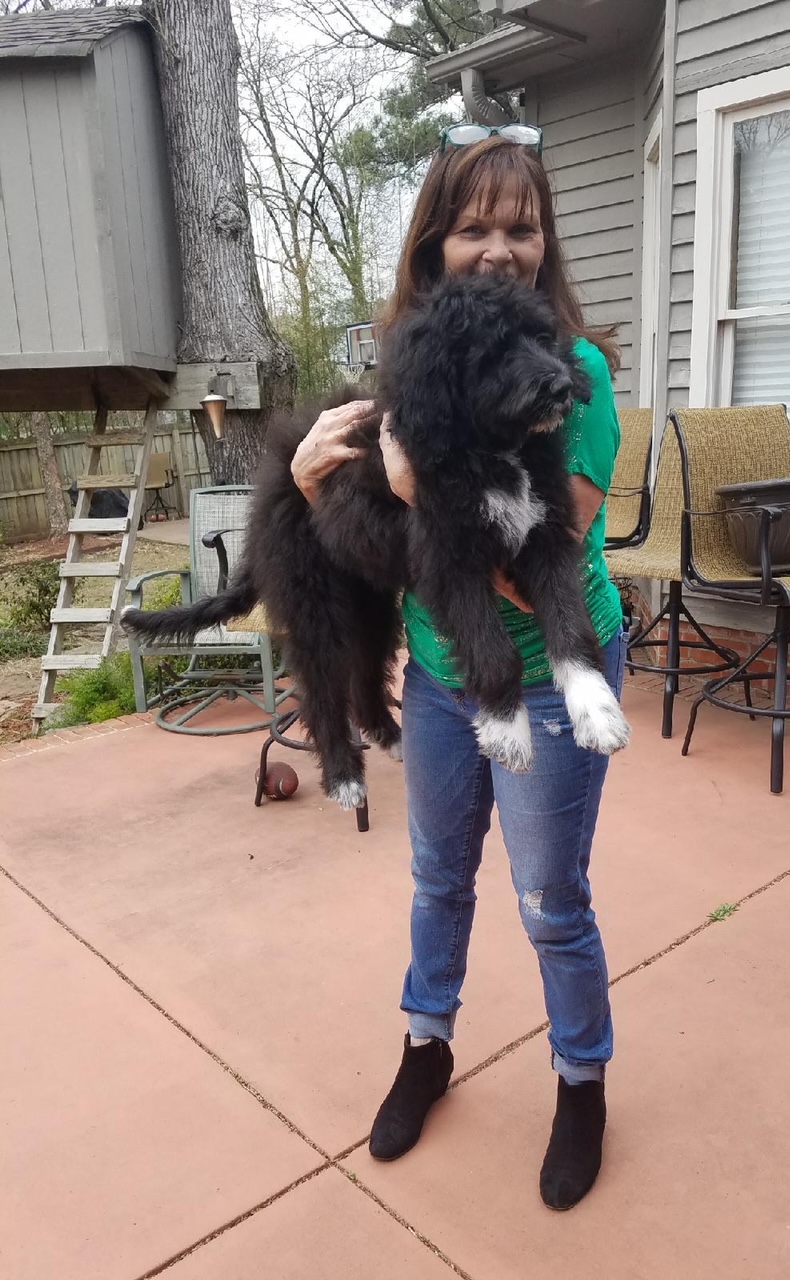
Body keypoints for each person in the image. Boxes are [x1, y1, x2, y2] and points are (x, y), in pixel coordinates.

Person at [291, 126, 627, 1211]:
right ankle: (426, 1045)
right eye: (473, 225)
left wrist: (406, 479)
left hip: (551, 665)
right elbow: (390, 545)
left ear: (545, 242)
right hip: (443, 672)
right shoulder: (415, 366)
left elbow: (536, 563)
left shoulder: (574, 373)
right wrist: (314, 483)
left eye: (521, 227)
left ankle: (581, 1079)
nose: (499, 247)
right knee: (438, 878)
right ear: (433, 242)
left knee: (550, 899)